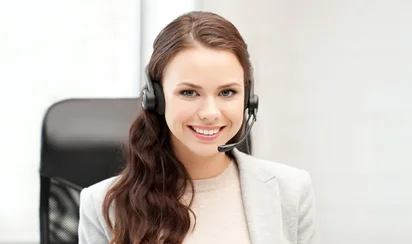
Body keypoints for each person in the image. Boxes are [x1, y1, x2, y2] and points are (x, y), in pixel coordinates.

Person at [78, 11, 318, 244]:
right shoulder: (103, 205)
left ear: (247, 98)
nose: (210, 113)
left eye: (227, 92)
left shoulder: (291, 191)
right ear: (156, 97)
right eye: (189, 92)